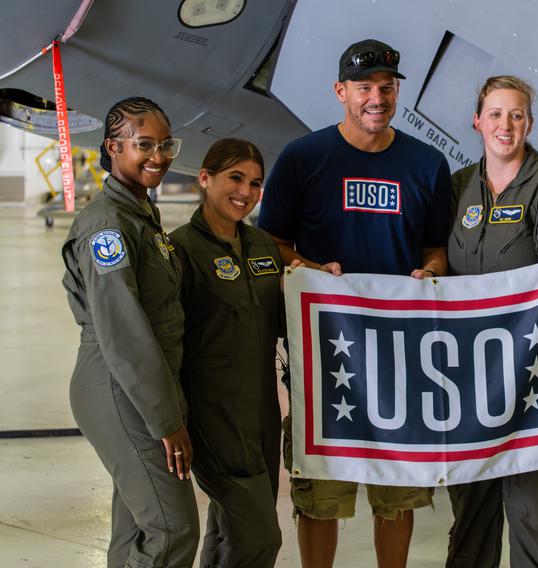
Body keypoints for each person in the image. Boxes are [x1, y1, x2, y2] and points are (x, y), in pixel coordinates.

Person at [256, 38, 451, 567]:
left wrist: (428, 274)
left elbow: (436, 250)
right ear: (341, 91)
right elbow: (270, 241)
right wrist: (304, 269)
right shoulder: (303, 158)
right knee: (322, 488)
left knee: (399, 487)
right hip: (326, 352)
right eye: (364, 87)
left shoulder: (426, 163)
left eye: (387, 88)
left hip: (402, 353)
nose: (376, 97)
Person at [445, 75, 538, 568]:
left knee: (535, 518)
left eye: (516, 115)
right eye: (495, 114)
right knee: (470, 516)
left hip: (535, 383)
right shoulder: (456, 188)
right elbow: (440, 265)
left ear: (529, 123)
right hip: (467, 382)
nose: (504, 126)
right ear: (477, 121)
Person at [62, 97, 199, 567]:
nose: (158, 156)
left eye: (165, 144)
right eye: (144, 144)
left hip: (142, 384)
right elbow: (123, 333)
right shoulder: (107, 226)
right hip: (121, 388)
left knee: (136, 527)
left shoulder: (141, 215)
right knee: (172, 528)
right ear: (113, 148)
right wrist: (167, 421)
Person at [170, 139, 284, 567]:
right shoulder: (180, 250)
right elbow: (166, 340)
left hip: (260, 414)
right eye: (235, 178)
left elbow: (278, 319)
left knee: (229, 532)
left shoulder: (261, 247)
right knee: (259, 538)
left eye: (255, 183)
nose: (246, 191)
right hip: (213, 414)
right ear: (205, 178)